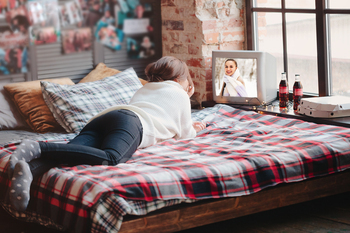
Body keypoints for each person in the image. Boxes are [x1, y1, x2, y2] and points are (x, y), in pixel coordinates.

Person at [7, 56, 207, 211]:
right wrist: (189, 104)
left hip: (105, 118)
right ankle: (39, 147)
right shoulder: (180, 93)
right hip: (132, 122)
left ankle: (30, 170)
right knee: (111, 157)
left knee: (70, 151)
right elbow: (185, 134)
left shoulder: (145, 88)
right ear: (178, 79)